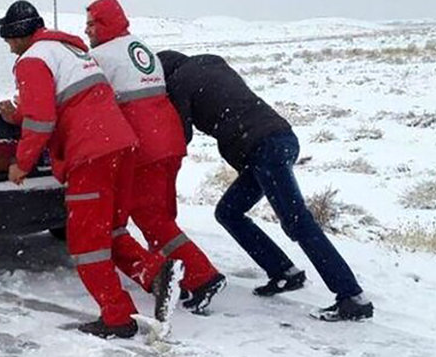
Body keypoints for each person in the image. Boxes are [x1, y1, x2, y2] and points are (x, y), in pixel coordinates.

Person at [0, 0, 180, 339]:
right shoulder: (70, 51)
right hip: (121, 146)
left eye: (8, 40)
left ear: (20, 35)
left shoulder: (32, 60)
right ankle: (156, 274)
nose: (9, 48)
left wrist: (21, 165)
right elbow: (67, 100)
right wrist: (17, 115)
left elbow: (41, 120)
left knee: (86, 243)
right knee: (110, 231)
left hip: (90, 154)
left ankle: (117, 318)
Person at [158, 50, 373, 321]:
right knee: (229, 212)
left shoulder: (179, 82)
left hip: (262, 149)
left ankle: (352, 297)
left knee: (297, 221)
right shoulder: (211, 62)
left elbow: (181, 135)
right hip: (280, 138)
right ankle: (284, 272)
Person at [85, 0, 226, 313]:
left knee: (152, 219)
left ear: (105, 23)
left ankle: (202, 278)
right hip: (169, 139)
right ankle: (178, 276)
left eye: (92, 23)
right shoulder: (139, 47)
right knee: (162, 215)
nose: (87, 29)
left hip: (145, 147)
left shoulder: (101, 56)